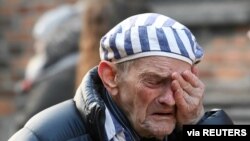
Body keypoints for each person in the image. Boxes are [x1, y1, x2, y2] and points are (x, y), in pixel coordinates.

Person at [9, 13, 233, 141]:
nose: (170, 99)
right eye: (154, 81)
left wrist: (198, 124)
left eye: (181, 83)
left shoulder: (187, 126)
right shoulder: (42, 137)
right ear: (110, 77)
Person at [13, 1, 84, 130]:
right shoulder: (61, 68)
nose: (36, 46)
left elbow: (26, 127)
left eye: (40, 40)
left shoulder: (60, 76)